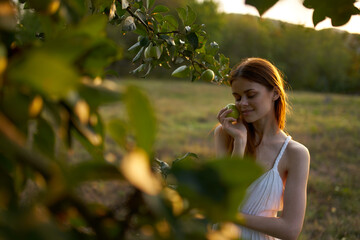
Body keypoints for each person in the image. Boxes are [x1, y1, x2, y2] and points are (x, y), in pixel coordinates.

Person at [214, 58, 310, 240]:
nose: (242, 103)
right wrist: (239, 144)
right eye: (237, 97)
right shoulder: (225, 134)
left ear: (274, 93)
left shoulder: (295, 153)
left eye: (251, 95)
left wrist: (232, 216)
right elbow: (223, 195)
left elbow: (290, 229)